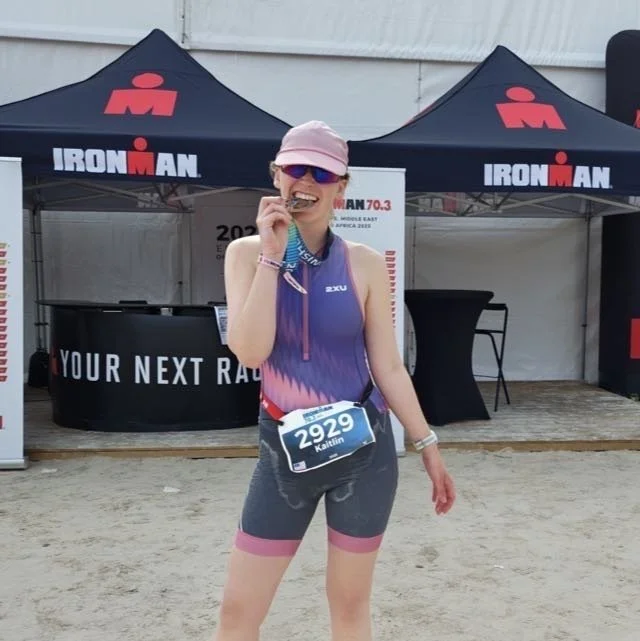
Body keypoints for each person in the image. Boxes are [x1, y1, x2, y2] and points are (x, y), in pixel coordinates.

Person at [216, 120, 456, 641]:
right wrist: (272, 257)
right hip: (283, 456)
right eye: (295, 168)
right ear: (276, 176)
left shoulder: (364, 264)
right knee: (238, 612)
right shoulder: (245, 255)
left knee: (348, 607)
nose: (306, 181)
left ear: (340, 187)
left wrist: (428, 444)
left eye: (322, 173)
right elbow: (252, 352)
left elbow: (388, 366)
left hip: (363, 455)